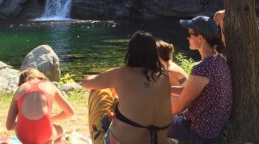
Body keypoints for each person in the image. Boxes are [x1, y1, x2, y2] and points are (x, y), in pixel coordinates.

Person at [82, 31, 171, 144]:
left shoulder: (121, 73)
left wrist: (93, 76)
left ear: (131, 51)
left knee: (98, 90)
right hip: (158, 141)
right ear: (154, 52)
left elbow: (86, 83)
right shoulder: (164, 74)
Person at [169, 16, 232, 144]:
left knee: (150, 120)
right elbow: (188, 90)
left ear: (200, 38)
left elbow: (178, 108)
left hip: (198, 133)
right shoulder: (220, 59)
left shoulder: (202, 69)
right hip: (214, 128)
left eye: (190, 34)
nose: (187, 37)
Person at [6, 68, 74, 144]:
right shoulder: (50, 86)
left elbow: (9, 126)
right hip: (46, 136)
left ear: (21, 81)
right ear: (40, 76)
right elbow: (70, 113)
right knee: (60, 131)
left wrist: (24, 123)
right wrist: (51, 119)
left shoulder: (20, 90)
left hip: (24, 137)